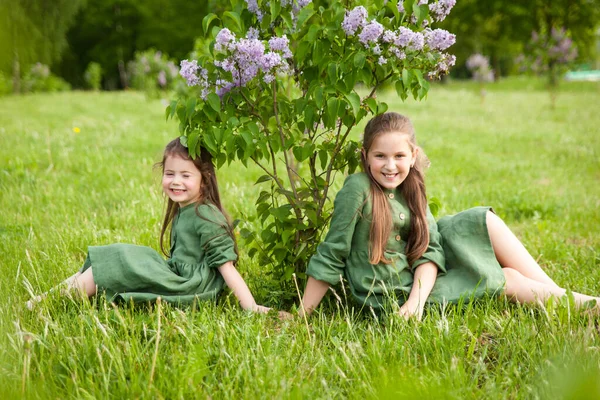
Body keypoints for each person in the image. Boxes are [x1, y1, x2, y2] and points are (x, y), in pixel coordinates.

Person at [299, 112, 599, 320]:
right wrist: (303, 315)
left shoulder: (411, 188)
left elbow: (429, 251)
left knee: (484, 220)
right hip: (393, 295)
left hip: (416, 287)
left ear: (413, 155)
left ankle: (561, 295)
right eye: (380, 156)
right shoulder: (358, 189)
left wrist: (417, 302)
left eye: (399, 156)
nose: (390, 166)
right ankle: (587, 307)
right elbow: (332, 252)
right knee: (508, 278)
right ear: (365, 157)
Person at [27, 138, 274, 314]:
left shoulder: (206, 216)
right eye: (170, 174)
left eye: (186, 175)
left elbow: (226, 266)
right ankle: (49, 297)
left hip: (190, 287)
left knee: (123, 258)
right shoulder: (187, 208)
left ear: (204, 178)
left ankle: (48, 303)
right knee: (118, 254)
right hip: (178, 275)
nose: (176, 182)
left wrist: (250, 306)